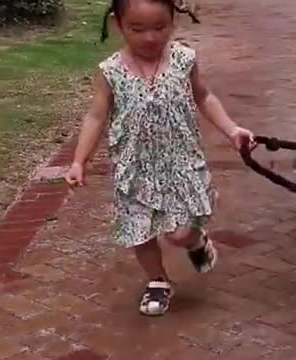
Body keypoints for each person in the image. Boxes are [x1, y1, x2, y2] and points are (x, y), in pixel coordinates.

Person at [64, 0, 254, 316]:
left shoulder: (183, 60)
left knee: (180, 232)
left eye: (159, 27)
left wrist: (232, 130)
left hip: (182, 164)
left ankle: (195, 241)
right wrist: (78, 161)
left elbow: (204, 96)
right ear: (118, 25)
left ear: (173, 23)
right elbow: (96, 117)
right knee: (141, 232)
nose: (150, 38)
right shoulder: (110, 72)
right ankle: (158, 281)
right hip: (133, 169)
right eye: (137, 29)